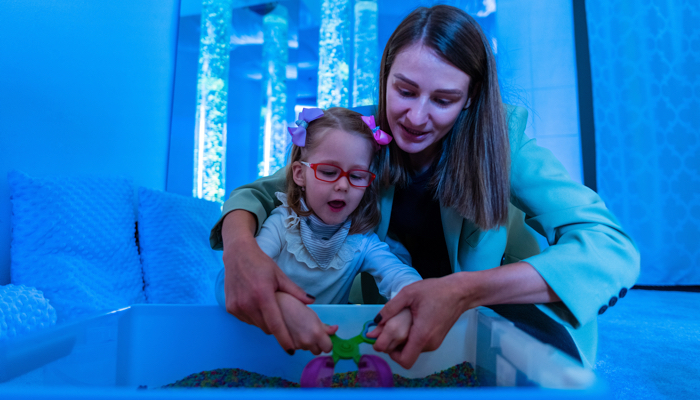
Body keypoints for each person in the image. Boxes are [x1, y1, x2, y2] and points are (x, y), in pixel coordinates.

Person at [210, 5, 640, 369]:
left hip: (497, 310)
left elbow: (611, 249)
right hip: (393, 315)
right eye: (405, 90)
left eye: (443, 100)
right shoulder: (360, 133)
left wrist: (464, 291)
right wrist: (241, 252)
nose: (416, 118)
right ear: (385, 76)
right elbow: (261, 194)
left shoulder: (503, 140)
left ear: (470, 97)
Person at [214, 107, 422, 356]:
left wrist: (408, 309)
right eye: (328, 172)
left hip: (321, 356)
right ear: (300, 174)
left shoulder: (362, 242)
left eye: (356, 176)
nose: (343, 185)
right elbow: (230, 283)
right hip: (258, 347)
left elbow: (400, 276)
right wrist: (279, 302)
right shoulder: (282, 225)